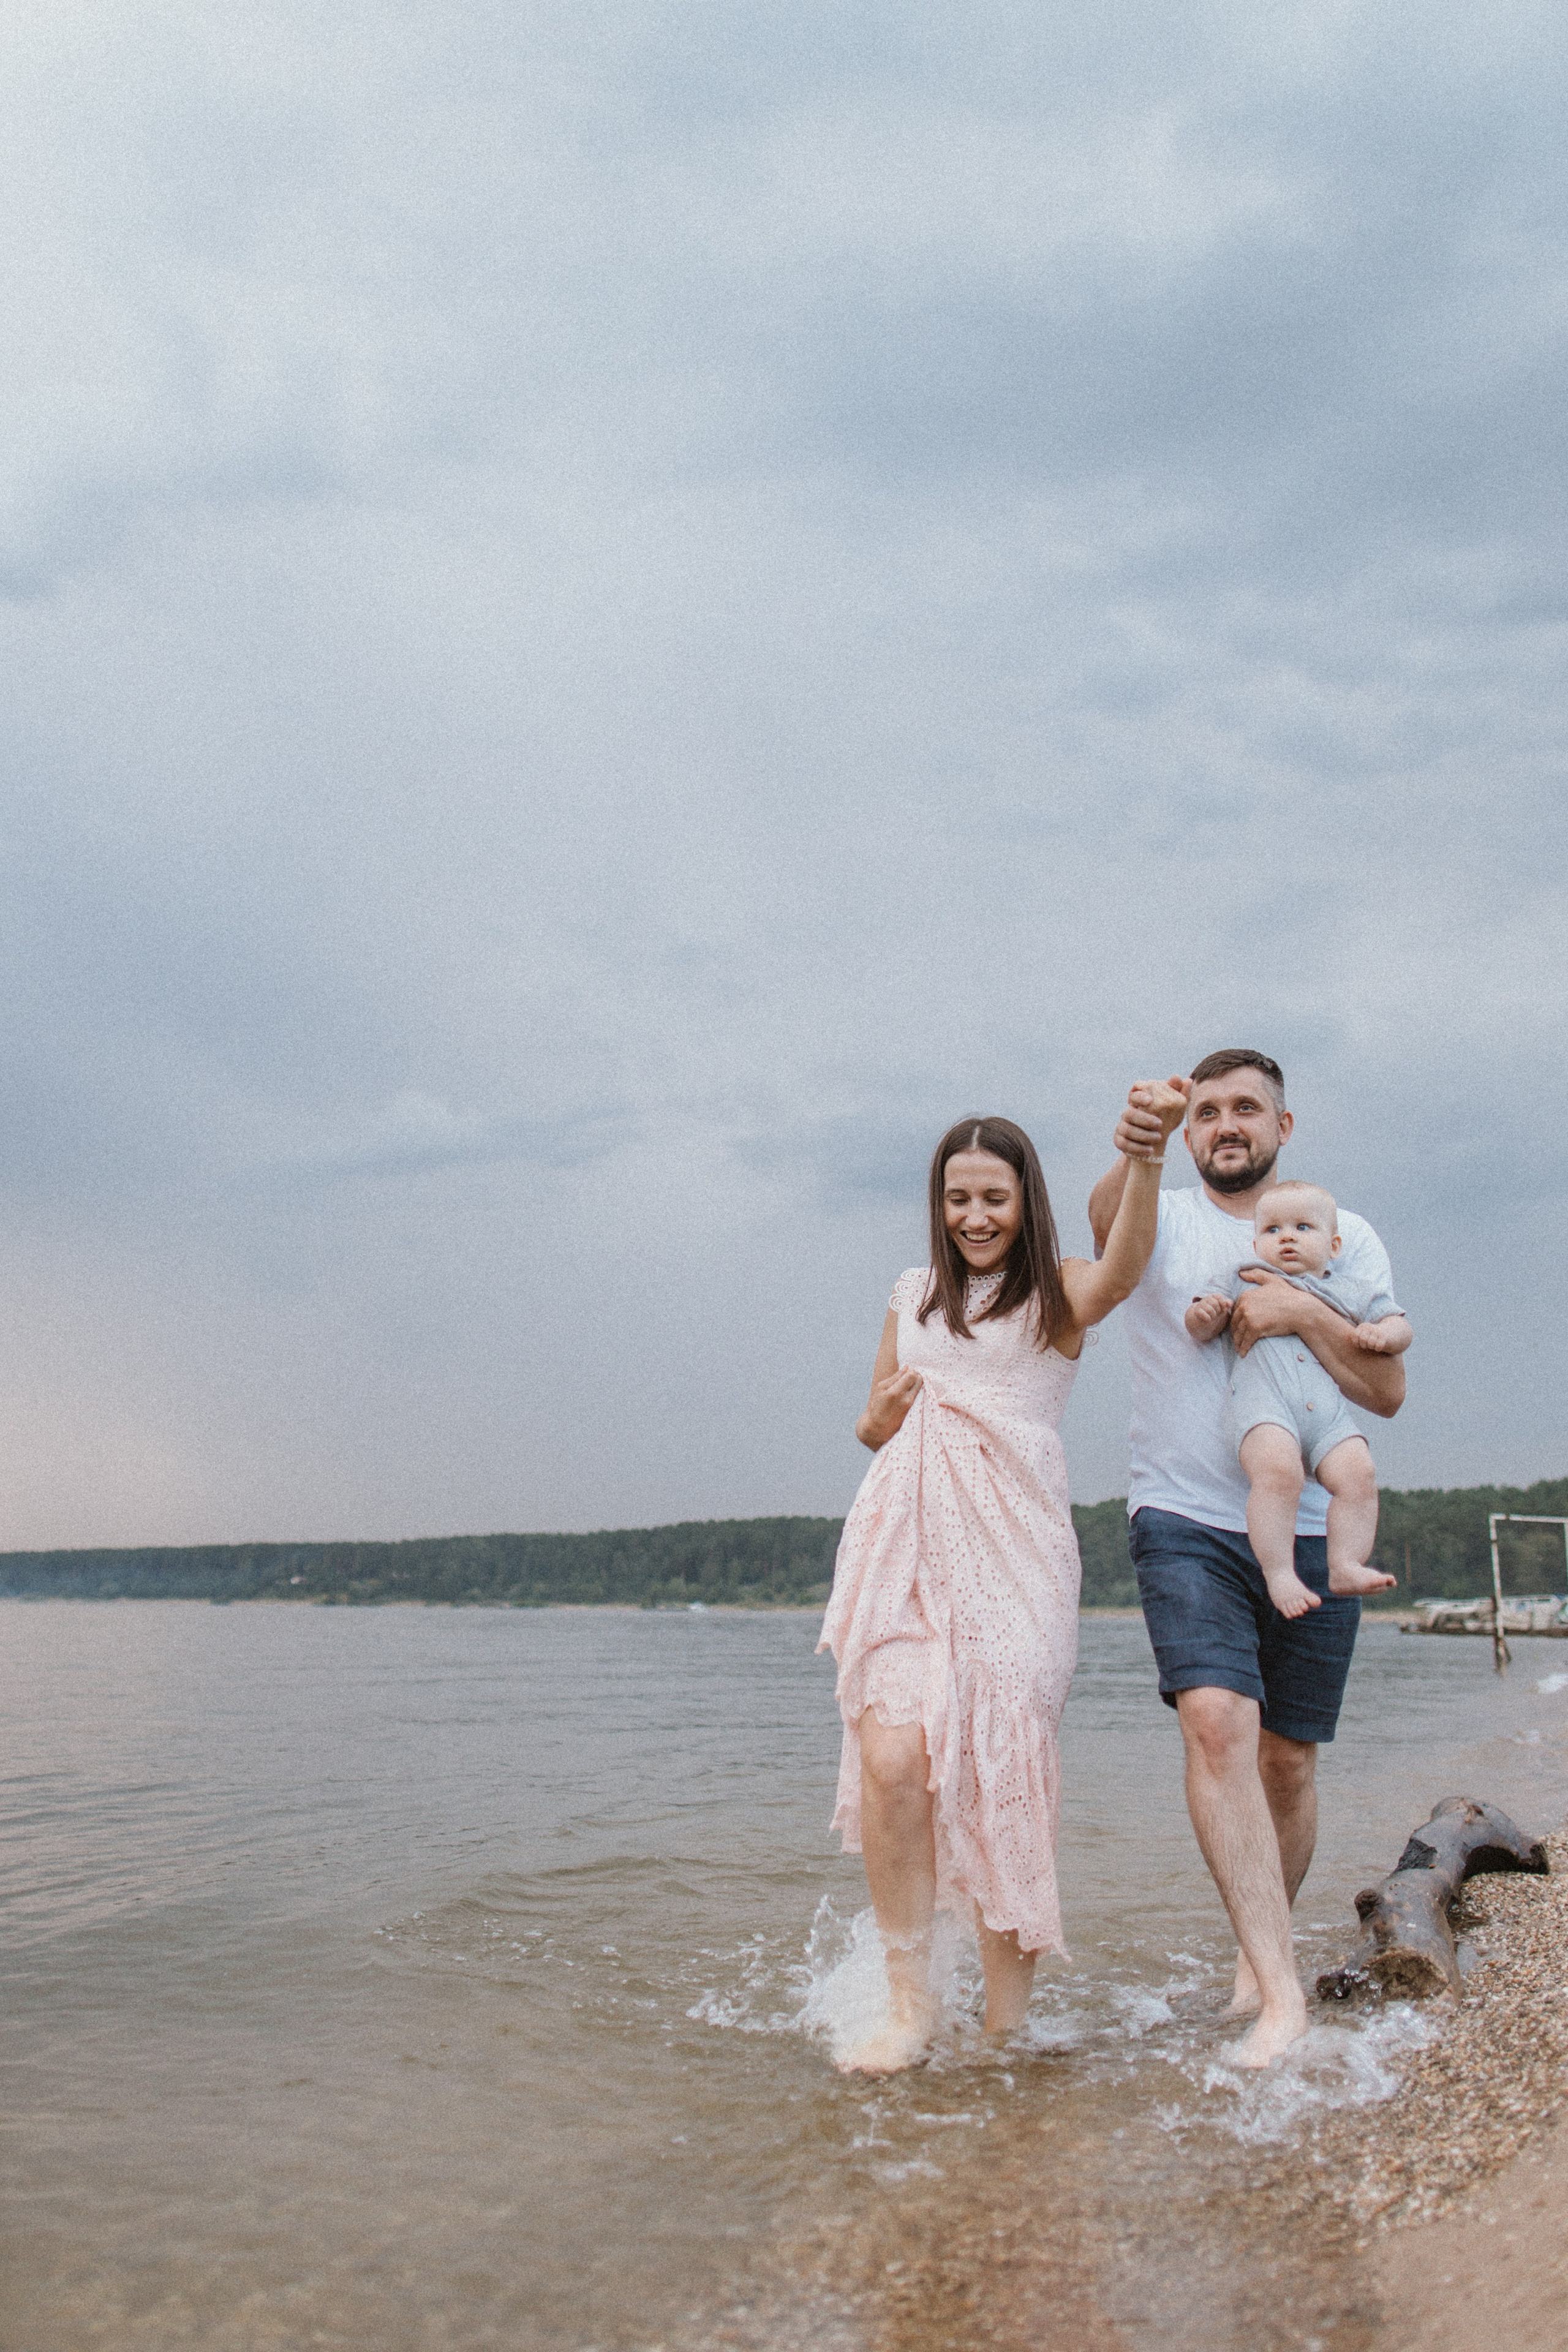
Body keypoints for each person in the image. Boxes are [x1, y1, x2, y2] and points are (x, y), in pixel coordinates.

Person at [820, 1088, 1190, 2076]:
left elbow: (1124, 1270)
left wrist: (1148, 1158)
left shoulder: (1057, 1297)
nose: (974, 1218)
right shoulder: (911, 1296)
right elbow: (868, 1427)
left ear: (1027, 1201)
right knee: (894, 1758)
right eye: (956, 1200)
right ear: (937, 1206)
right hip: (907, 1553)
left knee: (1000, 1774)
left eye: (994, 1198)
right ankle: (910, 2009)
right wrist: (888, 1414)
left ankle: (1006, 2028)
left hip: (1018, 1562)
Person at [1090, 1050, 1407, 2068]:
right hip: (1181, 1516)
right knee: (1219, 1725)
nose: (1227, 1124)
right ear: (1189, 1134)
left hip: (1311, 1525)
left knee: (1288, 1759)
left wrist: (1306, 1313)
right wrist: (1135, 1144)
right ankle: (1282, 1996)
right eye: (1209, 1112)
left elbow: (1389, 1392)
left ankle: (1252, 1953)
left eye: (1247, 1110)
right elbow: (1104, 1228)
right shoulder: (1165, 1214)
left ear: (1284, 1124)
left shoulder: (1341, 1233)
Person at [1185, 1178, 1409, 1620]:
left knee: (1359, 1475)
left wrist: (1384, 1335)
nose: (1286, 1237)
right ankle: (1280, 1573)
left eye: (1303, 1227)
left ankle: (1345, 1564)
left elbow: (1400, 1325)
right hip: (1264, 1410)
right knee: (1279, 1474)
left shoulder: (1350, 1290)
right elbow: (1199, 1326)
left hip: (1326, 1416)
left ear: (1335, 1245)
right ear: (1255, 1241)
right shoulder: (1243, 1276)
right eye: (1272, 1230)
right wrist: (1205, 1315)